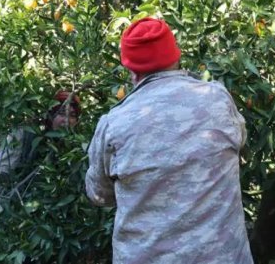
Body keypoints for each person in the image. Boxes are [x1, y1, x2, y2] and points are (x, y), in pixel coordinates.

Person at [85, 18, 254, 264]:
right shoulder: (217, 100)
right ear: (177, 56)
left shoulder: (114, 124)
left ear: (131, 70)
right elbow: (239, 144)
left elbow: (99, 195)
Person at [0, 91, 81, 264]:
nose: (67, 119)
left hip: (23, 228)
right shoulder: (24, 133)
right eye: (61, 113)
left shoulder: (65, 148)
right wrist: (5, 220)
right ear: (49, 115)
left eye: (72, 115)